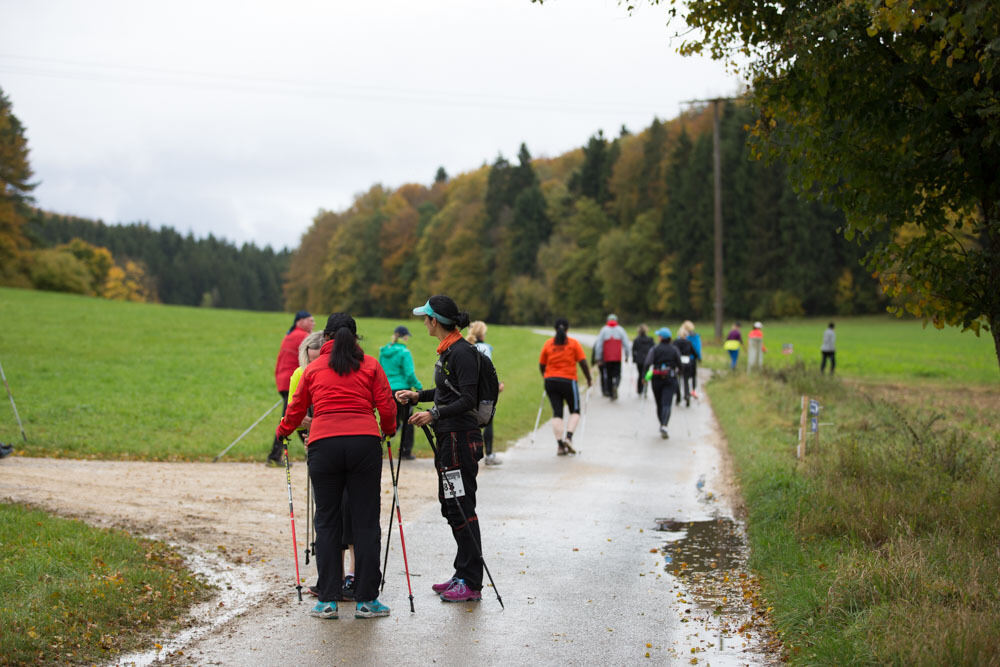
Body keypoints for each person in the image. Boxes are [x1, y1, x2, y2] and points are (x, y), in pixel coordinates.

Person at [276, 313, 396, 620]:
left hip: (324, 445)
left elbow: (296, 408)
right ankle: (367, 600)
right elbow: (386, 404)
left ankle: (327, 600)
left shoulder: (313, 369)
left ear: (326, 338)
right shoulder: (370, 365)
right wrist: (390, 429)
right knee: (366, 521)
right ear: (356, 339)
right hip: (363, 444)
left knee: (327, 521)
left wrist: (283, 432)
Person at [395, 295, 487, 604]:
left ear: (435, 321)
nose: (423, 322)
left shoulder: (461, 352)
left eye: (426, 318)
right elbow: (450, 392)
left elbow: (468, 399)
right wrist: (418, 395)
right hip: (450, 439)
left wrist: (433, 414)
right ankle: (461, 573)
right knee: (451, 505)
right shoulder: (450, 351)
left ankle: (472, 581)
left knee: (461, 505)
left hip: (460, 440)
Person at [291, 332, 358, 603]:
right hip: (321, 445)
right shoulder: (301, 374)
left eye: (320, 352)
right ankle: (333, 576)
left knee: (348, 510)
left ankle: (351, 575)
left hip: (339, 444)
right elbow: (295, 413)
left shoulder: (343, 368)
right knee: (328, 514)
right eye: (311, 353)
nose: (316, 357)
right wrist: (305, 430)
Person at [538, 318, 593, 456]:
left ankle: (560, 445)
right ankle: (568, 437)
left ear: (554, 329)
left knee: (557, 412)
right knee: (575, 410)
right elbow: (583, 363)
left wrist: (545, 376)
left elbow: (541, 364)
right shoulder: (573, 344)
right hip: (568, 381)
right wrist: (589, 379)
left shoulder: (548, 344)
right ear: (568, 329)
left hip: (550, 380)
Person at [268, 310, 314, 464]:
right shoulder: (303, 337)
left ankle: (312, 450)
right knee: (295, 418)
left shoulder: (289, 335)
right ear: (300, 322)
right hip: (295, 381)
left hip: (282, 380)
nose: (313, 324)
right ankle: (275, 456)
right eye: (310, 320)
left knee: (298, 417)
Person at [378, 325, 422, 461]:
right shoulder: (405, 352)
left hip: (387, 390)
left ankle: (377, 446)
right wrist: (419, 387)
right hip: (403, 391)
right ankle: (405, 451)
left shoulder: (384, 352)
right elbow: (409, 374)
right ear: (405, 337)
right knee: (408, 422)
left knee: (391, 421)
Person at [466, 321, 505, 466]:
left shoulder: (466, 346)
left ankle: (469, 453)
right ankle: (488, 454)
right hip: (482, 391)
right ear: (482, 334)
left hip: (468, 390)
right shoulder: (484, 348)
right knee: (487, 421)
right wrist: (496, 385)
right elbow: (487, 371)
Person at [643, 328, 681, 439]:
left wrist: (644, 376)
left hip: (657, 378)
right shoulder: (674, 349)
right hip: (670, 378)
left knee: (659, 403)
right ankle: (664, 425)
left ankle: (662, 424)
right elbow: (680, 364)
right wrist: (679, 372)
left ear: (661, 338)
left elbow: (647, 363)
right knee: (667, 403)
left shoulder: (655, 349)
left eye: (659, 335)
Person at [593, 314, 631, 400]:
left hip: (607, 358)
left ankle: (610, 392)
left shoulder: (604, 330)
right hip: (617, 357)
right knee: (618, 374)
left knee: (609, 375)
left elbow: (599, 345)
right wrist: (627, 355)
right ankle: (616, 385)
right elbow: (626, 344)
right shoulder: (621, 330)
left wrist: (598, 357)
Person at [673, 326, 698, 407]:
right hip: (687, 362)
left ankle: (678, 397)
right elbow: (694, 353)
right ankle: (687, 395)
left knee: (677, 380)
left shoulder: (675, 342)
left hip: (678, 362)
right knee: (686, 380)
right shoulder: (688, 342)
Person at [678, 321, 702, 400]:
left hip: (682, 359)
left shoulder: (681, 337)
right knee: (693, 375)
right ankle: (693, 391)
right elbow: (698, 348)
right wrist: (699, 357)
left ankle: (682, 393)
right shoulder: (696, 336)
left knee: (683, 377)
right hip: (692, 359)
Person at [631, 324, 655, 396]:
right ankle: (645, 388)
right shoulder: (650, 339)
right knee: (646, 374)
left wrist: (634, 359)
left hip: (639, 359)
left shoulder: (636, 340)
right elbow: (653, 349)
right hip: (648, 359)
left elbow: (633, 350)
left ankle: (640, 389)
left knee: (640, 374)